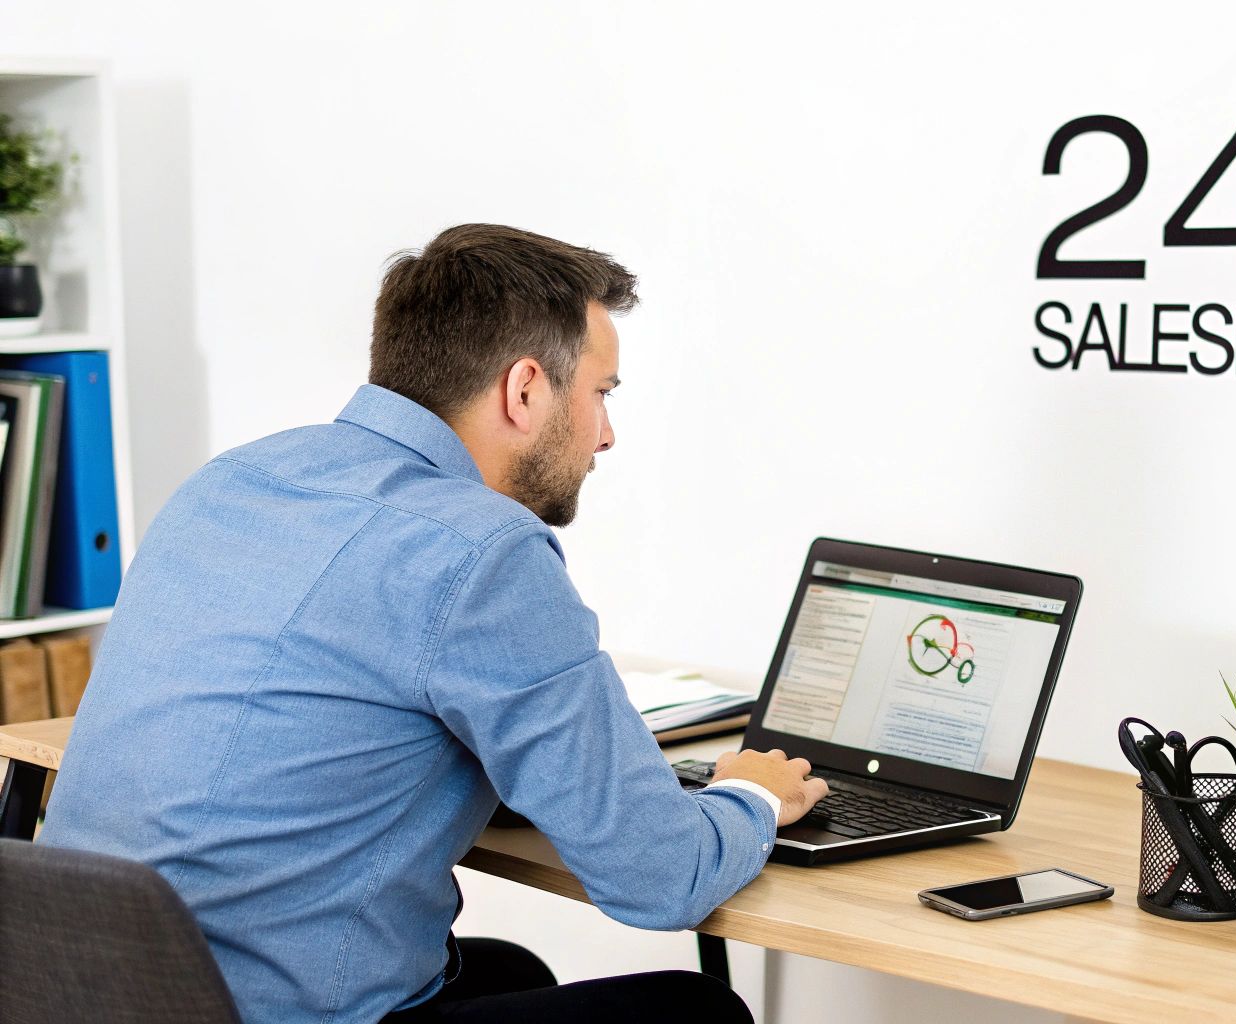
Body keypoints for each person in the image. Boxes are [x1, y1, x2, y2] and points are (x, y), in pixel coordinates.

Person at [41, 223, 828, 1023]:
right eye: (601, 394)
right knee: (693, 1010)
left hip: (89, 987)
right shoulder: (481, 547)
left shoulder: (235, 480)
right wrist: (748, 797)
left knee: (505, 970)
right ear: (525, 390)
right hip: (265, 1009)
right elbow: (662, 877)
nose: (607, 433)